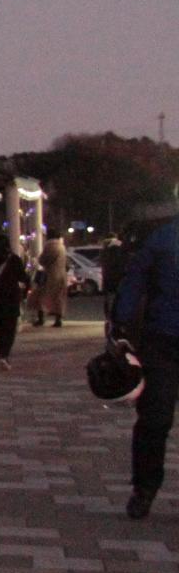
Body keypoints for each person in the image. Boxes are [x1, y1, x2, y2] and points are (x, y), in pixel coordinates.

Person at [114, 217, 179, 519]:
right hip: (162, 339)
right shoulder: (164, 239)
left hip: (161, 338)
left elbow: (134, 281)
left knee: (154, 420)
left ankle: (145, 489)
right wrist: (122, 324)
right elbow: (135, 280)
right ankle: (145, 488)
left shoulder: (161, 237)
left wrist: (122, 323)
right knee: (154, 419)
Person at [0, 234, 30, 366]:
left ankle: (1, 354)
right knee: (9, 329)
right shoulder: (14, 259)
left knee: (1, 327)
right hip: (11, 297)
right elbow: (23, 278)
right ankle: (5, 354)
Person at [34, 232, 70, 328]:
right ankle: (58, 319)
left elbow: (43, 260)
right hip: (61, 275)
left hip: (51, 275)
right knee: (59, 298)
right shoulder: (62, 247)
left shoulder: (50, 246)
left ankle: (41, 319)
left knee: (40, 296)